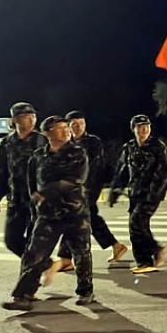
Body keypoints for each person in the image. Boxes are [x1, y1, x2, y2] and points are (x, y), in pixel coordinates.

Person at [1, 116, 94, 311]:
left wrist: (45, 192)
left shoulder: (77, 153)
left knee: (81, 253)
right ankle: (23, 296)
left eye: (66, 127)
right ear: (47, 133)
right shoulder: (38, 157)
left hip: (75, 212)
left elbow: (76, 180)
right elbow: (32, 185)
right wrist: (34, 206)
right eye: (60, 128)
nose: (66, 131)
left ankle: (85, 291)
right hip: (48, 215)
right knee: (34, 254)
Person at [53, 111, 129, 272]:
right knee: (90, 218)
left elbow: (95, 166)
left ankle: (65, 258)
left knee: (73, 218)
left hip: (89, 187)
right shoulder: (65, 144)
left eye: (81, 124)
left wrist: (84, 187)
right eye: (74, 124)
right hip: (72, 189)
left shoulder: (93, 142)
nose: (78, 127)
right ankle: (116, 246)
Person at [109, 115, 167, 272]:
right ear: (133, 129)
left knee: (137, 221)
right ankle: (143, 262)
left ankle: (154, 251)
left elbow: (162, 174)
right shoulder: (129, 147)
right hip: (135, 192)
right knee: (135, 226)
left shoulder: (157, 147)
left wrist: (153, 195)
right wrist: (115, 190)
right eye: (140, 126)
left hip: (152, 192)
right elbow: (123, 171)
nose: (144, 129)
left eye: (147, 126)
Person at [0, 102, 48, 257]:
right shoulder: (7, 143)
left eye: (33, 116)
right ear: (15, 119)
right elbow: (0, 172)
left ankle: (35, 267)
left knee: (35, 241)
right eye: (26, 116)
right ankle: (43, 264)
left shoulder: (43, 141)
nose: (31, 119)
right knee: (11, 240)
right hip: (16, 200)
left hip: (38, 201)